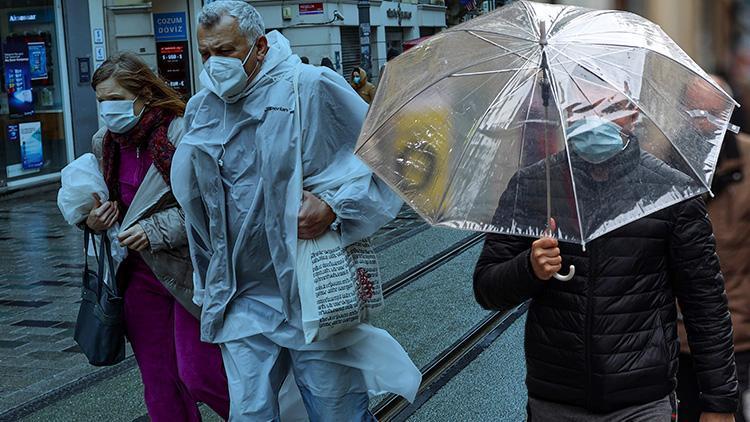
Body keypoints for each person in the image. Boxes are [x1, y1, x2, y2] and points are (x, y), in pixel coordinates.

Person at [171, 2, 421, 420]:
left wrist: (333, 207)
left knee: (335, 411)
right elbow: (199, 203)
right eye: (205, 54)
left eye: (227, 51)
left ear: (260, 47)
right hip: (240, 297)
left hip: (309, 293)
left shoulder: (310, 87)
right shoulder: (203, 107)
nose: (215, 64)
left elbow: (384, 156)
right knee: (250, 414)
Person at [473, 78, 738, 421]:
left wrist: (719, 404)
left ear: (633, 115)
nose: (596, 120)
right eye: (583, 109)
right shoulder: (534, 185)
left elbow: (705, 302)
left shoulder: (670, 192)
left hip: (642, 402)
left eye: (610, 109)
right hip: (556, 400)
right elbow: (486, 287)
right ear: (566, 116)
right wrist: (529, 268)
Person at [86, 52, 230, 421]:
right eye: (102, 101)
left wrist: (153, 230)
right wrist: (93, 219)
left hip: (188, 272)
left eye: (116, 99)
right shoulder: (106, 143)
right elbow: (107, 205)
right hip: (136, 276)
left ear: (145, 94)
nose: (108, 109)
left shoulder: (182, 133)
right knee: (160, 382)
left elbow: (212, 209)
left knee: (201, 374)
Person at [677, 75, 749, 422]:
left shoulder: (748, 164)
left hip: (740, 340)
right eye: (692, 110)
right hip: (679, 342)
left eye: (712, 112)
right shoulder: (669, 162)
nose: (701, 120)